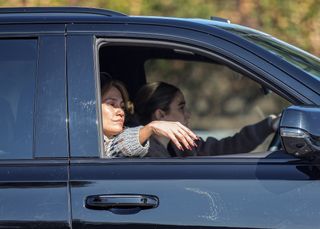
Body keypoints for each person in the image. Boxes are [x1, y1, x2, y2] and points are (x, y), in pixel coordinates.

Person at [134, 81, 280, 157]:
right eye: (181, 107)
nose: (188, 114)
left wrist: (269, 125)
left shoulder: (183, 145)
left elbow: (224, 148)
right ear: (160, 115)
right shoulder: (144, 154)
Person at [100, 77, 197, 158]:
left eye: (122, 107)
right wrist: (151, 128)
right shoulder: (89, 148)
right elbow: (115, 149)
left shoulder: (173, 147)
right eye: (112, 104)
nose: (121, 112)